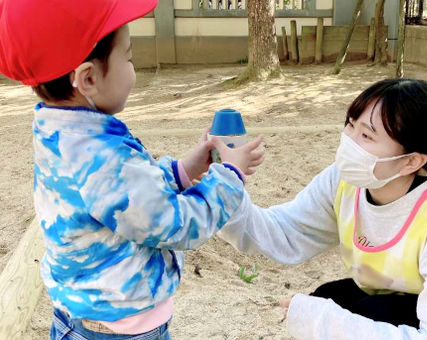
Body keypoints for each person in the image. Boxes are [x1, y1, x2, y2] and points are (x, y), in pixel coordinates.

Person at [0, 0, 264, 339]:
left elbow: (128, 199)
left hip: (79, 317)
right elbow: (178, 225)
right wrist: (230, 176)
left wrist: (183, 169)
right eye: (128, 56)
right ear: (88, 78)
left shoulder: (62, 133)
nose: (133, 69)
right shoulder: (103, 156)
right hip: (121, 330)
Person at [217, 78, 427, 339]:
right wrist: (222, 193)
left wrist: (322, 323)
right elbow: (285, 232)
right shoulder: (345, 181)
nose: (349, 142)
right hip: (394, 303)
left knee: (342, 312)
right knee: (331, 298)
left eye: (367, 136)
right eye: (351, 125)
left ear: (411, 161)